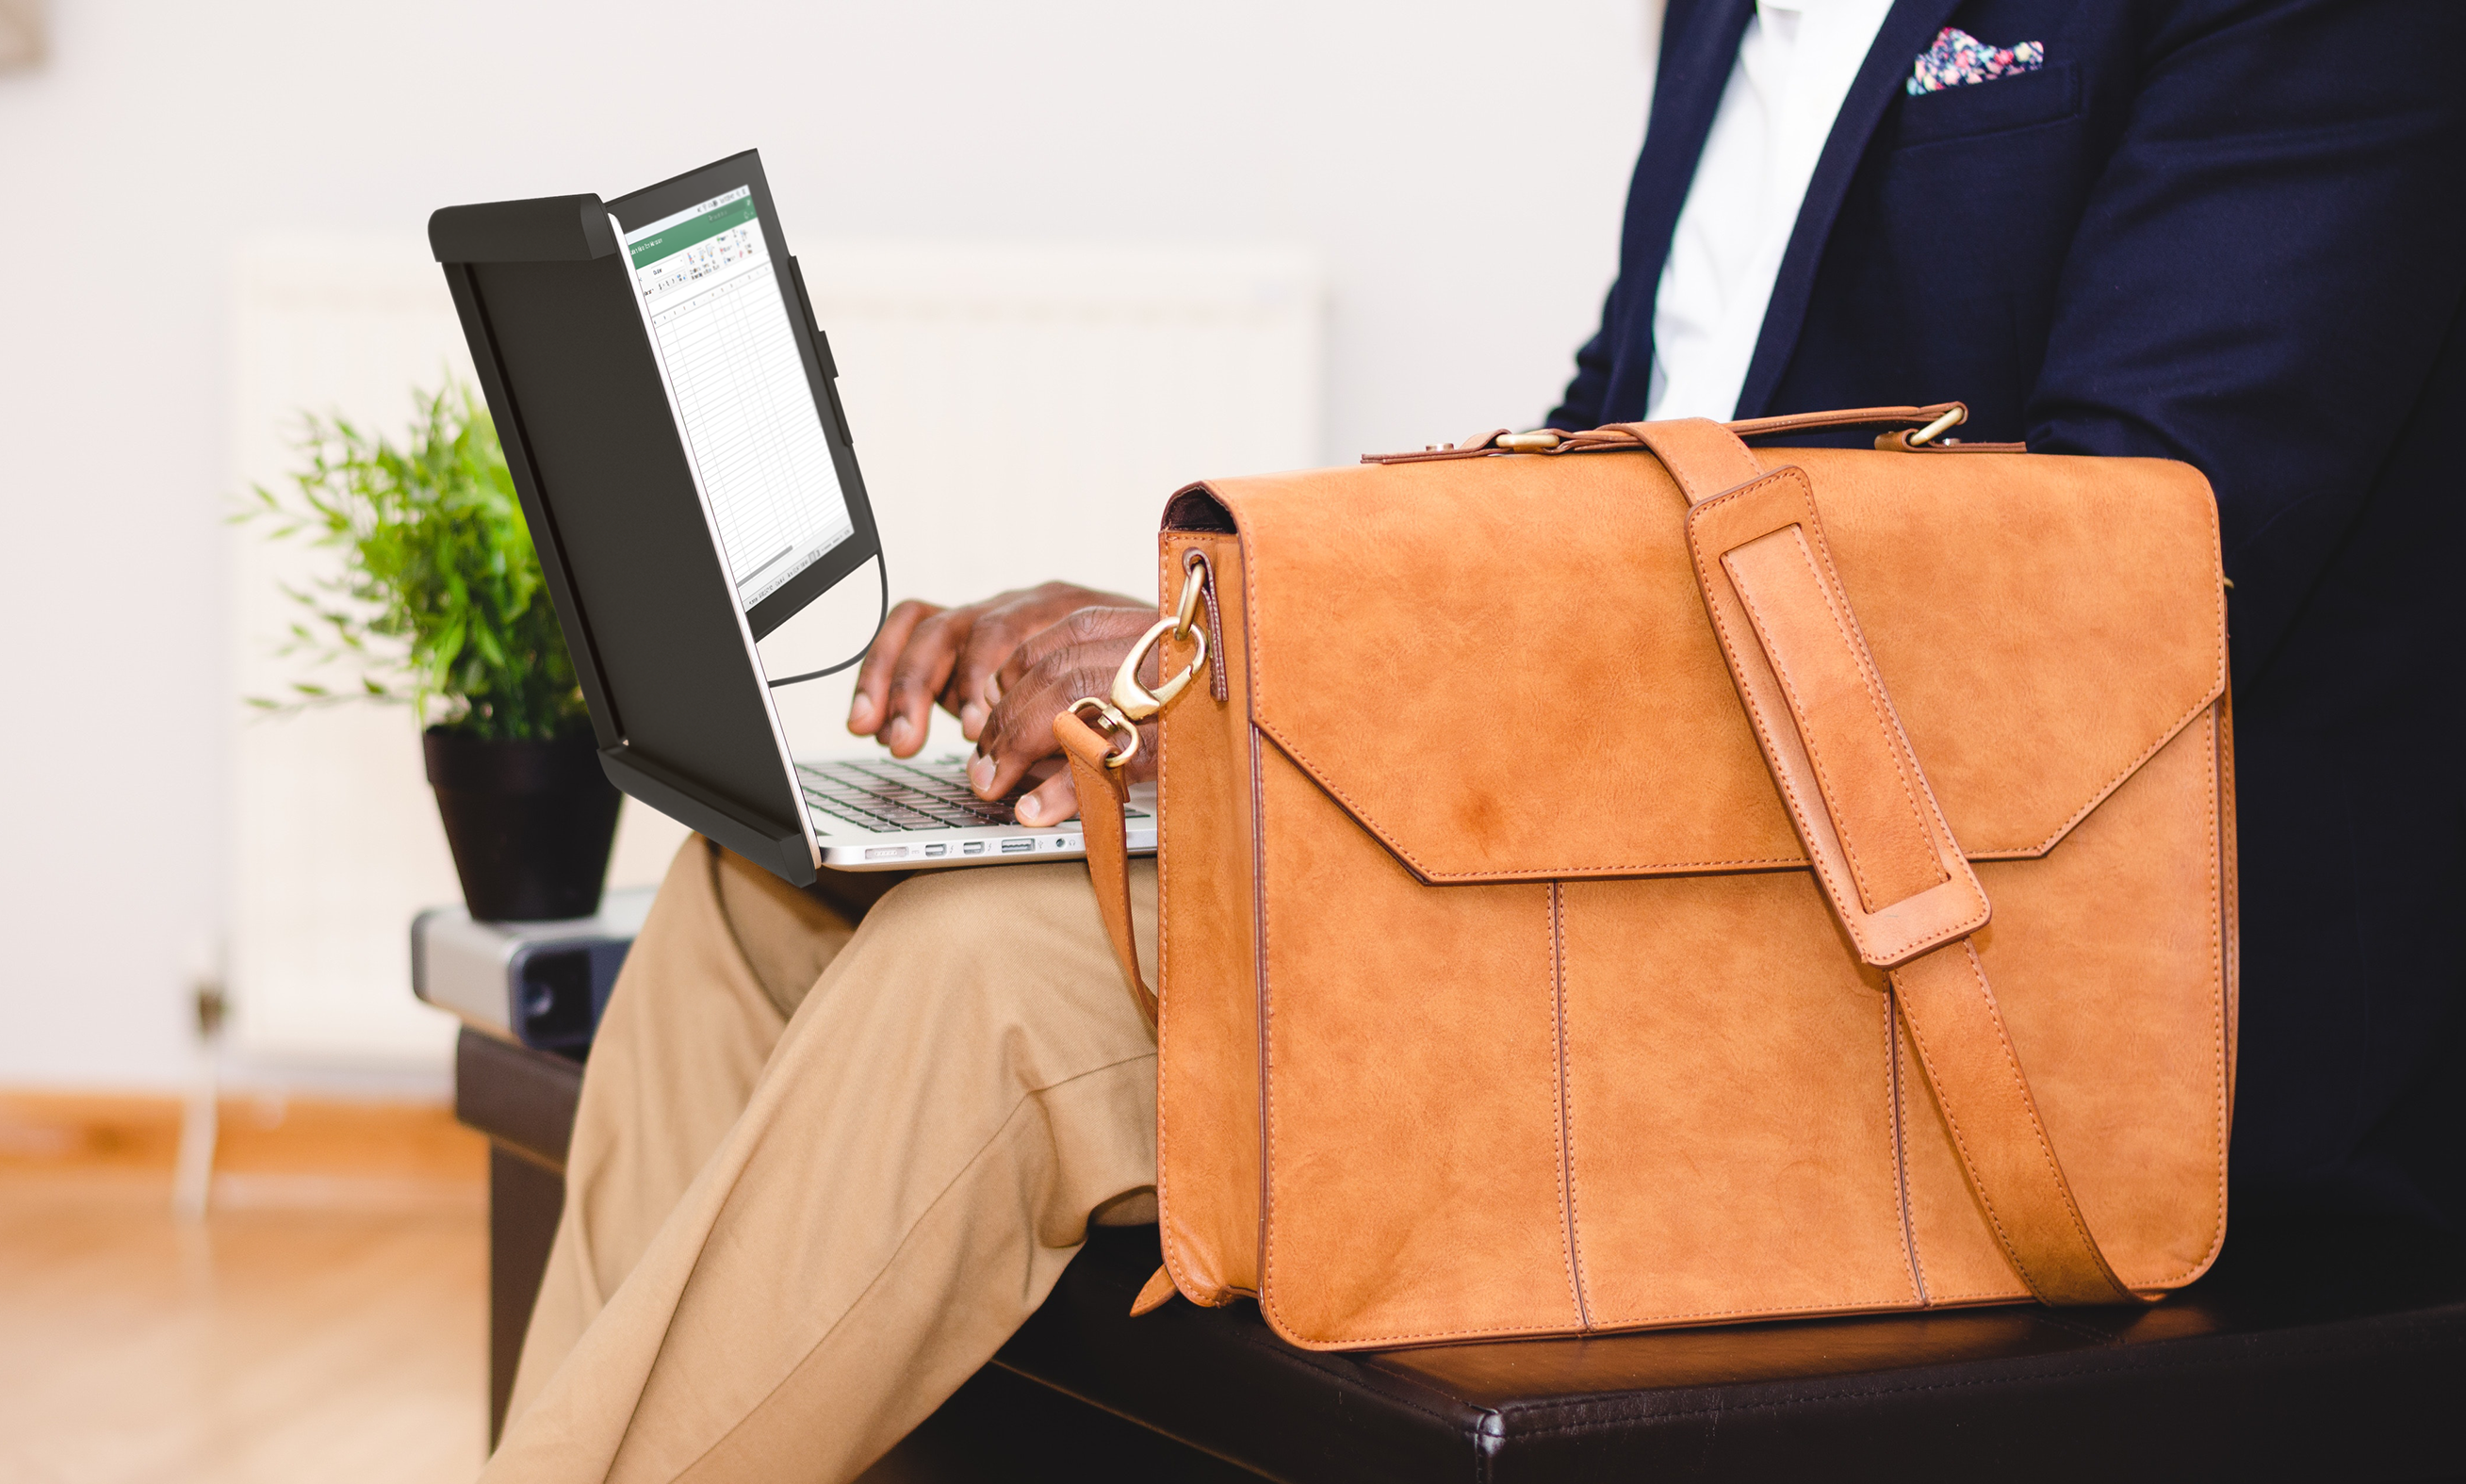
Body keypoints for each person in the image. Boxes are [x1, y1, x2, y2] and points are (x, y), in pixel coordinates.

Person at [484, 3, 2465, 1479]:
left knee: (997, 976)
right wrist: (1201, 654)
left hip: (1993, 972)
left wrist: (1295, 688)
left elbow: (2093, 599)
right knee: (755, 883)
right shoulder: (1724, 21)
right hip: (1663, 872)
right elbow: (1614, 450)